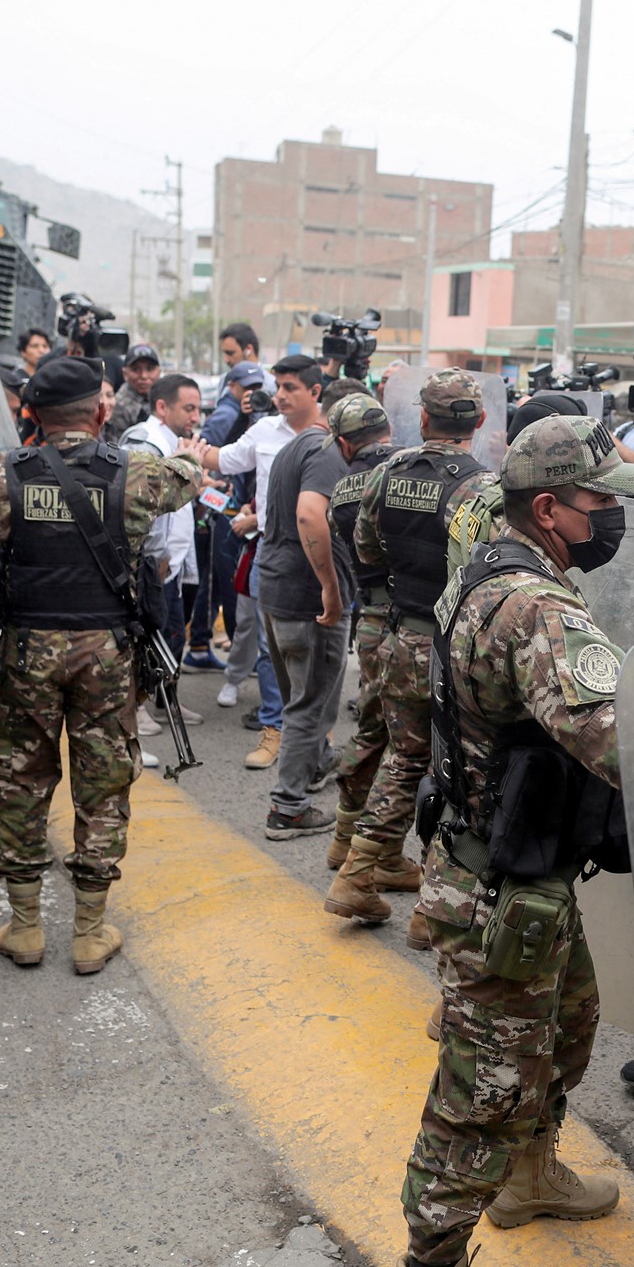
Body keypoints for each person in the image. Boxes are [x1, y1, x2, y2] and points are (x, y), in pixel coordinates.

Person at [395, 415, 634, 1267]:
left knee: (575, 1018)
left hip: (511, 873)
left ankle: (531, 1173)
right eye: (600, 502)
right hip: (499, 891)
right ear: (550, 508)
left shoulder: (491, 563)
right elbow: (625, 743)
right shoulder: (537, 605)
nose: (612, 518)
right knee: (481, 1096)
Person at [0, 356, 202, 975]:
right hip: (104, 651)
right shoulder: (137, 472)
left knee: (21, 779)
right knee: (103, 782)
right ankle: (88, 929)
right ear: (102, 411)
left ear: (33, 415)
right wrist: (192, 451)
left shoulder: (1, 474)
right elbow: (189, 477)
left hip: (26, 646)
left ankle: (25, 925)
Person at [325, 370, 492, 922]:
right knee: (460, 773)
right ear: (482, 420)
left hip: (399, 635)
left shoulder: (388, 471)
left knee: (404, 758)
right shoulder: (481, 489)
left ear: (422, 418)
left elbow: (365, 549)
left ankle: (356, 874)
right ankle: (430, 912)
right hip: (450, 650)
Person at [255, 357, 350, 836]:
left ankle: (318, 762)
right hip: (304, 599)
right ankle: (287, 808)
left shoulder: (296, 446)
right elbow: (311, 515)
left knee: (300, 695)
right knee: (308, 705)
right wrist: (332, 588)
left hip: (275, 591)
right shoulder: (324, 450)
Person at [199, 360, 304, 765]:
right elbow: (223, 459)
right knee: (269, 646)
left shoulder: (328, 437)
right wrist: (189, 450)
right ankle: (273, 728)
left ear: (313, 393)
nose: (278, 395)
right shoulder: (263, 431)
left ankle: (312, 734)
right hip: (268, 552)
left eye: (288, 387)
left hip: (314, 555)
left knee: (313, 647)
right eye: (277, 386)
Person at [324, 392, 398, 871]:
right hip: (424, 618)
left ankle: (343, 836)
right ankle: (383, 856)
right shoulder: (415, 472)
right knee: (421, 745)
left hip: (371, 620)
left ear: (344, 445)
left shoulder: (342, 494)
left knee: (371, 728)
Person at [121, 373, 207, 660]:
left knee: (171, 641)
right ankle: (144, 705)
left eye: (198, 409)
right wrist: (154, 560)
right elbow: (142, 509)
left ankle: (164, 702)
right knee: (151, 644)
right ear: (162, 407)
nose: (196, 417)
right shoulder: (145, 444)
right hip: (152, 569)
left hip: (169, 567)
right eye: (189, 408)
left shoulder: (174, 441)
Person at [106, 343, 161, 445]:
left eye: (149, 369)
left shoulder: (165, 396)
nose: (143, 376)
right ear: (125, 374)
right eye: (136, 369)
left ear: (159, 371)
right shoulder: (119, 405)